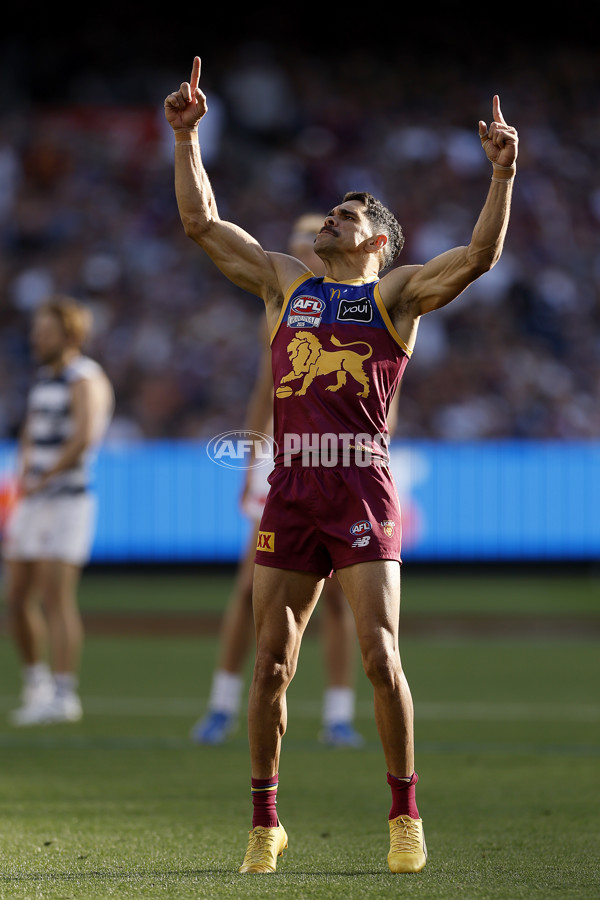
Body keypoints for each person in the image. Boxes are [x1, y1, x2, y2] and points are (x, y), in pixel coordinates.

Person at [165, 57, 518, 875]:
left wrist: (502, 174)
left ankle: (404, 813)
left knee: (378, 654)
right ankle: (265, 822)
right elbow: (204, 226)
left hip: (360, 481)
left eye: (348, 213)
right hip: (292, 486)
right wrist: (185, 138)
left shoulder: (394, 296)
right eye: (332, 209)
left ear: (380, 239)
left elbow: (477, 258)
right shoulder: (286, 285)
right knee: (271, 665)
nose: (331, 218)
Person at [191, 213, 398, 748]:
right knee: (249, 592)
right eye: (296, 242)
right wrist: (251, 464)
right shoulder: (288, 303)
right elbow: (268, 390)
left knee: (337, 604)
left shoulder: (368, 303)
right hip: (285, 460)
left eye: (307, 240)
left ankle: (336, 713)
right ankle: (222, 702)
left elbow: (381, 399)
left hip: (348, 462)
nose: (302, 249)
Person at [3, 296, 114, 726]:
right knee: (16, 597)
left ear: (69, 334)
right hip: (34, 498)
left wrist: (44, 477)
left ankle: (65, 693)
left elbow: (85, 436)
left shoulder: (84, 377)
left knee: (55, 597)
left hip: (67, 500)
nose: (35, 338)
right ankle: (37, 685)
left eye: (44, 331)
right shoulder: (44, 379)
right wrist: (25, 473)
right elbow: (30, 433)